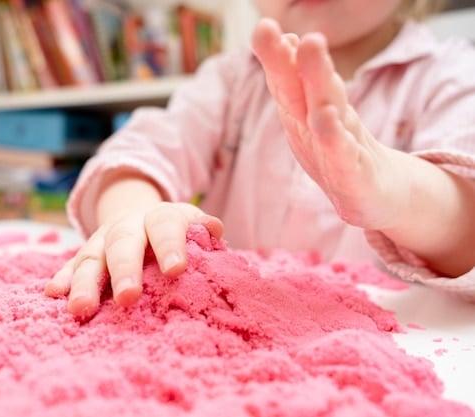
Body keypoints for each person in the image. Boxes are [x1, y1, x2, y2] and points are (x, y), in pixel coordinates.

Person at [45, 0, 475, 317]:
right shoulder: (232, 80)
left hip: (410, 346)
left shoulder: (450, 76)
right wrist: (133, 213)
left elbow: (465, 225)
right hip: (225, 340)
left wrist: (392, 191)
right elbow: (141, 149)